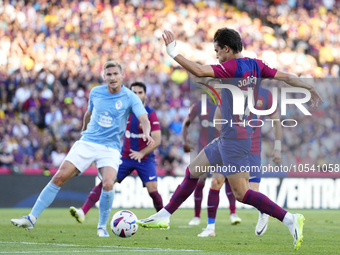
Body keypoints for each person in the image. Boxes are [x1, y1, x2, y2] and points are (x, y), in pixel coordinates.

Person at [137, 28, 323, 251]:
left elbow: (198, 70)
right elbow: (287, 77)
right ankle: (165, 215)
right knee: (193, 170)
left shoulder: (231, 67)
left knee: (241, 193)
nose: (216, 55)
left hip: (235, 139)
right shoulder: (255, 65)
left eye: (217, 50)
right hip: (230, 135)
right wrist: (309, 86)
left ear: (227, 48)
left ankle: (289, 218)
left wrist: (172, 52)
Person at [11, 61, 154, 238]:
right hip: (88, 142)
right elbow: (89, 112)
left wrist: (147, 133)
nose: (112, 77)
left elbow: (144, 118)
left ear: (122, 75)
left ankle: (102, 227)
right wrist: (84, 129)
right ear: (104, 76)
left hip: (110, 147)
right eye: (108, 74)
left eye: (115, 74)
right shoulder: (96, 92)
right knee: (59, 177)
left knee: (108, 183)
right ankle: (31, 219)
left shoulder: (130, 96)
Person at [69, 82, 163, 223]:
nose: (137, 95)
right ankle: (83, 211)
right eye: (134, 93)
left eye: (140, 93)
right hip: (124, 157)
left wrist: (141, 153)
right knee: (107, 181)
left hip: (144, 158)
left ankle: (162, 219)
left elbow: (157, 140)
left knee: (153, 189)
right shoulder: (124, 111)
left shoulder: (150, 113)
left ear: (145, 95)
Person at [197, 86, 282, 237]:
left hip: (253, 148)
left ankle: (263, 211)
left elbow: (276, 121)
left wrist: (277, 147)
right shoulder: (230, 91)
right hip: (230, 146)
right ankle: (210, 227)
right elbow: (217, 118)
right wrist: (227, 134)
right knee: (216, 182)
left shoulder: (265, 94)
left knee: (251, 191)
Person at [183, 78, 241, 226]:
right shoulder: (200, 106)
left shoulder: (227, 106)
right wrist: (185, 142)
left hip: (223, 150)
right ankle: (196, 216)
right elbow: (186, 123)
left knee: (226, 179)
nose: (216, 91)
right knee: (200, 179)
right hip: (205, 149)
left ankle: (233, 213)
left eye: (219, 88)